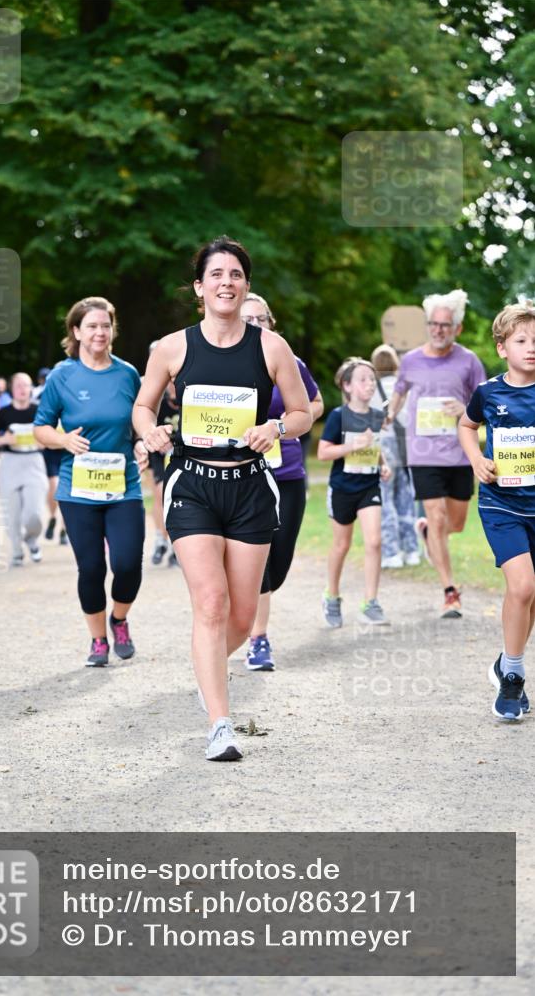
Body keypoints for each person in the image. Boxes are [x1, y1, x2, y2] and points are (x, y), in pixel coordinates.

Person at [134, 236, 312, 761]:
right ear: (199, 287)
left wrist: (276, 427)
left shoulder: (272, 348)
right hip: (192, 485)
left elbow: (304, 413)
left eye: (235, 274)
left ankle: (206, 669)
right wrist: (150, 431)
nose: (226, 283)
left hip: (251, 486)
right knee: (211, 603)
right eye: (216, 274)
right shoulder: (173, 348)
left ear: (246, 284)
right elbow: (142, 407)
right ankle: (220, 724)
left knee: (241, 616)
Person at [34, 297, 146, 667]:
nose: (100, 332)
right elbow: (40, 428)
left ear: (113, 330)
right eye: (92, 326)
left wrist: (142, 443)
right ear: (77, 332)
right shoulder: (62, 376)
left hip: (123, 486)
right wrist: (63, 440)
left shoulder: (127, 374)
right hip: (77, 489)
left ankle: (119, 619)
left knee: (127, 564)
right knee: (92, 568)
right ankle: (98, 640)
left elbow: (141, 423)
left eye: (105, 325)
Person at [385, 290, 486, 618]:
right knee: (437, 514)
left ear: (457, 328)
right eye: (433, 324)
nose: (438, 330)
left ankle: (428, 533)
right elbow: (399, 392)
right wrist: (388, 414)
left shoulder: (469, 361)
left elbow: (485, 403)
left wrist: (465, 408)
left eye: (445, 325)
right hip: (423, 453)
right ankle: (449, 591)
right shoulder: (411, 360)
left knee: (455, 523)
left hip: (460, 453)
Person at [458, 301, 535, 721]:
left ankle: (507, 662)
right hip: (501, 503)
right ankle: (514, 676)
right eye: (521, 341)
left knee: (532, 593)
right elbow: (466, 426)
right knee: (522, 586)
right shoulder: (488, 392)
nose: (531, 347)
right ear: (502, 348)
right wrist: (476, 459)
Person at [240, 292, 324, 671]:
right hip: (244, 475)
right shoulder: (225, 366)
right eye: (247, 319)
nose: (255, 325)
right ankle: (258, 639)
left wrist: (283, 426)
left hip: (287, 473)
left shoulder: (289, 361)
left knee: (279, 562)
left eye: (261, 319)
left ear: (271, 324)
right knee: (259, 559)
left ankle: (248, 606)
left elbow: (315, 403)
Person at [318, 358, 392, 628]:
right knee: (342, 545)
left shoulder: (377, 416)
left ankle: (370, 602)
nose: (370, 384)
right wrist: (352, 446)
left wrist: (383, 464)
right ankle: (331, 596)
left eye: (372, 379)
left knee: (374, 541)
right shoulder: (338, 416)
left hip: (368, 486)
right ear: (347, 386)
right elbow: (323, 453)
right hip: (342, 488)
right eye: (363, 379)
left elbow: (374, 444)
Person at [0, 372, 48, 566]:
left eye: (26, 385)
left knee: (34, 513)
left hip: (34, 463)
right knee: (12, 514)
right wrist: (4, 439)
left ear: (31, 388)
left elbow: (50, 436)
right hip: (10, 463)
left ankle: (31, 539)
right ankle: (16, 551)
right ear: (12, 390)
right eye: (18, 386)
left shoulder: (39, 410)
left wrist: (43, 442)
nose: (23, 389)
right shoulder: (4, 412)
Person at [370, 344, 420, 568]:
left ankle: (392, 554)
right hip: (407, 447)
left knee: (386, 499)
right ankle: (412, 550)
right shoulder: (405, 389)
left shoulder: (372, 389)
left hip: (383, 448)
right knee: (406, 498)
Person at [146, 341, 181, 567]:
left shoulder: (188, 380)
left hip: (184, 451)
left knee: (180, 496)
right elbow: (143, 417)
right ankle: (160, 539)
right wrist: (152, 436)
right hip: (159, 451)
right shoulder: (150, 388)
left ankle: (178, 545)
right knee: (160, 492)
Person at [33, 367, 68, 546]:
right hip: (50, 450)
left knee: (69, 491)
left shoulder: (74, 395)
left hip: (70, 449)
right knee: (54, 487)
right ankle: (53, 516)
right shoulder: (40, 397)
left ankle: (64, 529)